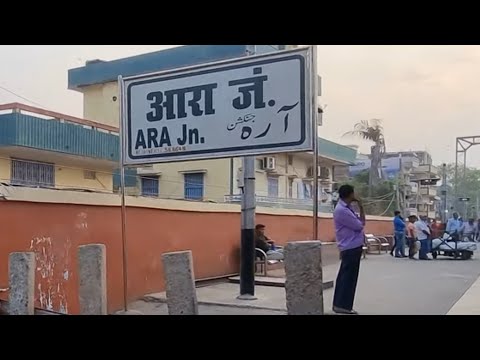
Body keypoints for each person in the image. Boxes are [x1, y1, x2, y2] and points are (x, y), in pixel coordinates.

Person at [332, 184, 365, 315]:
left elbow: (362, 223)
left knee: (346, 277)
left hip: (352, 246)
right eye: (354, 193)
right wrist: (360, 207)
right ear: (350, 194)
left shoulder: (347, 208)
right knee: (348, 278)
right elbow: (359, 226)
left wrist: (361, 207)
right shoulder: (342, 210)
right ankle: (343, 305)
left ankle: (340, 304)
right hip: (350, 246)